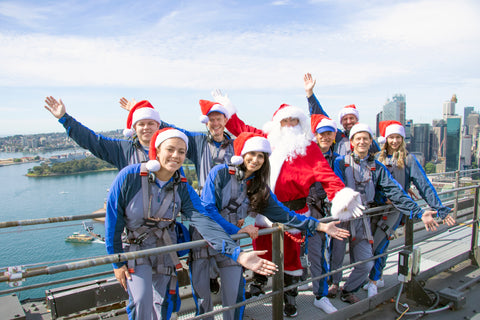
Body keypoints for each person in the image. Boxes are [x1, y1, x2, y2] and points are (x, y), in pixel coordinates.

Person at [215, 92, 364, 317]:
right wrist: (226, 109)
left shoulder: (309, 148)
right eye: (285, 121)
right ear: (277, 124)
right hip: (265, 209)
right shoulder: (267, 139)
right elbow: (240, 128)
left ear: (300, 123)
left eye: (293, 120)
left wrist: (341, 195)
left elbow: (326, 174)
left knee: (291, 257)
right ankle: (258, 282)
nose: (289, 125)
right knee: (261, 248)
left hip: (294, 211)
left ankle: (289, 297)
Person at [105, 128, 278, 320]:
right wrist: (117, 262)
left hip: (164, 248)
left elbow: (203, 220)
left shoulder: (182, 186)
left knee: (163, 303)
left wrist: (238, 254)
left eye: (181, 151)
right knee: (141, 300)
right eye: (170, 149)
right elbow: (113, 221)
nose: (176, 155)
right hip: (136, 249)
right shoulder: (130, 177)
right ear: (157, 150)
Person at [120, 96, 235, 295]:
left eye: (219, 119)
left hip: (230, 211)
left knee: (227, 253)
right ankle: (209, 279)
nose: (215, 123)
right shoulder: (198, 142)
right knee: (201, 251)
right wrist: (140, 110)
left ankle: (219, 277)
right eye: (211, 120)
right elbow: (170, 132)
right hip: (203, 207)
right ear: (205, 122)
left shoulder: (236, 146)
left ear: (226, 120)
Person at [329, 123, 440, 304]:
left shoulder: (377, 167)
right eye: (358, 138)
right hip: (343, 216)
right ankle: (333, 283)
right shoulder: (340, 162)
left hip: (363, 218)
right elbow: (336, 187)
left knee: (366, 262)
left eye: (366, 138)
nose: (362, 142)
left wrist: (419, 212)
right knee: (337, 254)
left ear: (371, 141)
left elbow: (394, 191)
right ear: (352, 142)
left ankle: (348, 289)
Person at [362, 120, 456, 296]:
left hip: (396, 209)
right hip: (376, 207)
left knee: (381, 242)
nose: (395, 141)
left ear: (403, 139)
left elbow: (424, 184)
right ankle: (378, 275)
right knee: (372, 243)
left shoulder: (408, 159)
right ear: (386, 138)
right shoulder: (377, 158)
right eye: (391, 137)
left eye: (398, 137)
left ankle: (373, 280)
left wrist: (439, 208)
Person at [44, 97, 161, 170]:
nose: (146, 128)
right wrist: (65, 118)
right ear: (134, 127)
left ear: (158, 126)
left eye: (151, 123)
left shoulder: (171, 148)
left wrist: (138, 110)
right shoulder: (123, 149)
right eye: (141, 124)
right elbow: (91, 140)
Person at [301, 114, 342, 313]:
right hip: (305, 210)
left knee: (318, 253)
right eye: (321, 133)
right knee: (304, 253)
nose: (324, 137)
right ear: (315, 136)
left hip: (324, 212)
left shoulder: (338, 160)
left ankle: (320, 292)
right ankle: (311, 293)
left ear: (334, 135)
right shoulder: (305, 155)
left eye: (328, 134)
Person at [303, 73, 379, 155]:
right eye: (345, 119)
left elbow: (378, 157)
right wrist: (310, 93)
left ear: (357, 119)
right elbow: (321, 116)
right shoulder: (337, 136)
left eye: (351, 118)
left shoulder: (365, 137)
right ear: (341, 123)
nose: (349, 121)